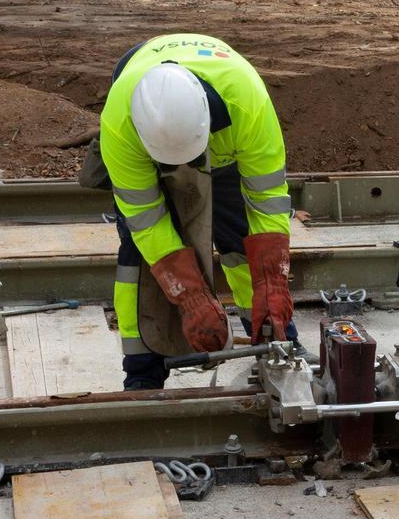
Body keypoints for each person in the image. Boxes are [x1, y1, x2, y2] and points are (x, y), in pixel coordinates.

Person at [98, 33, 298, 390]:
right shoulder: (120, 123)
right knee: (138, 258)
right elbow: (147, 220)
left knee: (241, 233)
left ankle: (277, 338)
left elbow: (266, 200)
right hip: (142, 141)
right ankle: (143, 369)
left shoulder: (246, 103)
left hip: (224, 148)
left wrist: (274, 281)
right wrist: (189, 296)